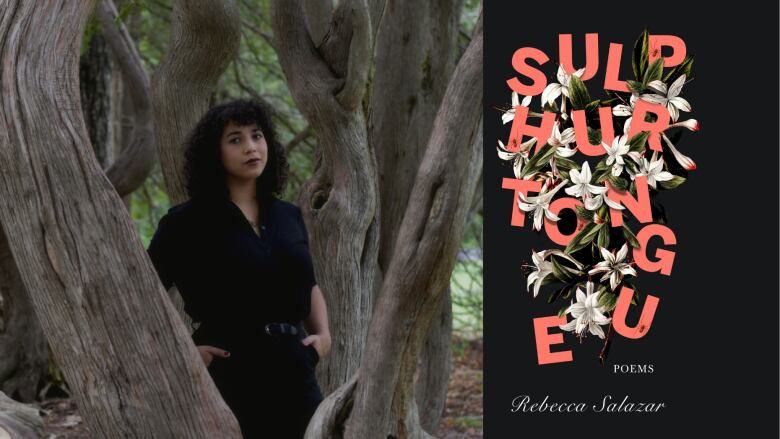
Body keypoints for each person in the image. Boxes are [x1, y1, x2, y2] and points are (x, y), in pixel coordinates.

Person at [146, 99, 331, 438]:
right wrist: (184, 352)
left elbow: (308, 282)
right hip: (229, 371)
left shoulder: (289, 216)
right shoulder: (185, 223)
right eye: (235, 139)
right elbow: (143, 296)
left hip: (295, 368)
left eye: (257, 136)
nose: (251, 147)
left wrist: (323, 336)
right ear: (213, 153)